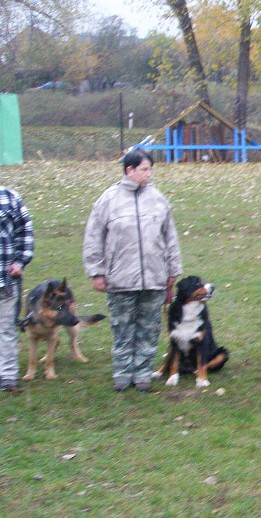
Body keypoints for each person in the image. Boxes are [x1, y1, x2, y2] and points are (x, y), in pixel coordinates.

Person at [83, 149, 182, 392]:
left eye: (150, 169)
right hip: (120, 278)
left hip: (154, 277)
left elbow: (170, 237)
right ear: (129, 171)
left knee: (149, 328)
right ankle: (122, 374)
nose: (149, 174)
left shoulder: (159, 199)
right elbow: (94, 237)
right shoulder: (108, 200)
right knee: (122, 328)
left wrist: (172, 270)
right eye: (144, 169)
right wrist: (96, 271)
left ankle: (143, 374)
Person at [0, 186, 34, 392]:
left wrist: (20, 261)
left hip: (6, 281)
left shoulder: (10, 197)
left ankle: (8, 375)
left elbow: (25, 231)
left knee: (6, 328)